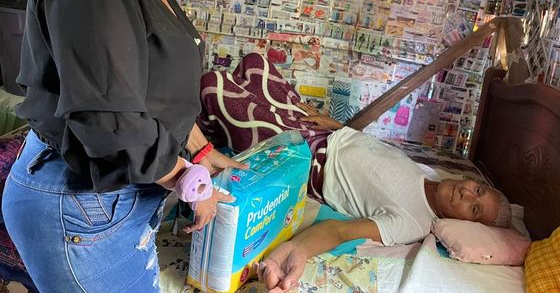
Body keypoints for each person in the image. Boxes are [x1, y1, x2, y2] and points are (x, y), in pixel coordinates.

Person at [1, 0, 246, 292]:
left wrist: (202, 152)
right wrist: (189, 181)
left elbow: (152, 89)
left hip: (111, 197)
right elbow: (109, 118)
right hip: (78, 202)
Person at [198, 53, 513, 291]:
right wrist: (337, 125)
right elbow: (375, 153)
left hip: (308, 157)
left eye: (473, 208)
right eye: (478, 190)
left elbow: (339, 231)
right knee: (255, 64)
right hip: (325, 133)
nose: (467, 194)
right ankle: (216, 132)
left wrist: (297, 250)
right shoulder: (431, 175)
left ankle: (205, 135)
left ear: (463, 222)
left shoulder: (413, 223)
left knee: (212, 86)